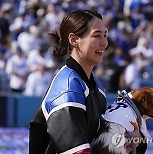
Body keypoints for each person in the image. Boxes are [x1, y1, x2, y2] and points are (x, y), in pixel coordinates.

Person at [29, 8, 143, 154]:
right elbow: (76, 151)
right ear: (74, 40)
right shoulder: (68, 87)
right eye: (97, 36)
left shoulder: (96, 85)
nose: (104, 43)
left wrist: (131, 142)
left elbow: (99, 142)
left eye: (105, 35)